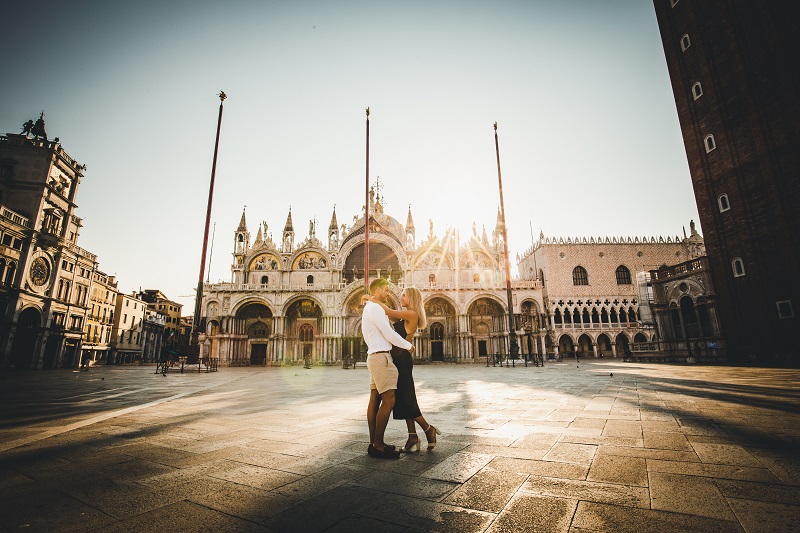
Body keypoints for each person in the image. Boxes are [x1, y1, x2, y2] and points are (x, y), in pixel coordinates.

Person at [364, 287, 442, 452]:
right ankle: (412, 435)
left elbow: (386, 310)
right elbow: (385, 315)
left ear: (412, 298)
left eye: (404, 295)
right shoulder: (406, 314)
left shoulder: (411, 314)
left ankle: (429, 429)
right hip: (397, 358)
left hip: (402, 360)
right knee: (404, 398)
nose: (401, 297)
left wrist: (373, 299)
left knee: (406, 398)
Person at [361, 278, 416, 459]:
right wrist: (408, 345)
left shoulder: (371, 307)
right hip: (381, 357)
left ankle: (375, 442)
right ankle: (377, 445)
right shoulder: (374, 307)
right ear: (377, 290)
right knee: (389, 399)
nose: (387, 294)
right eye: (385, 290)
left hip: (375, 356)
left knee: (375, 399)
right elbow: (388, 332)